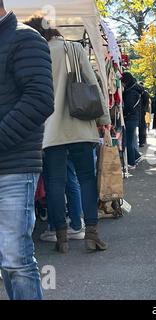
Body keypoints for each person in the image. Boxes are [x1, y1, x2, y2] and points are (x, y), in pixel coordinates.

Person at [25, 16, 111, 253]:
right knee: (86, 179)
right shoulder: (74, 49)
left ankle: (61, 237)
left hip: (50, 131)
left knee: (55, 182)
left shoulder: (34, 54)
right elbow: (93, 84)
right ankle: (91, 233)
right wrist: (104, 121)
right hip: (81, 126)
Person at [0, 6, 54, 300]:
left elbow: (40, 100)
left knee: (15, 260)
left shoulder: (25, 38)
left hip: (14, 167)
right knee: (8, 262)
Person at [40, 160, 85, 242]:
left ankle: (55, 228)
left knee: (52, 182)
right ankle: (77, 224)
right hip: (70, 148)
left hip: (50, 148)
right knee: (71, 179)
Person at [122, 72, 143, 168]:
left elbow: (129, 106)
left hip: (130, 118)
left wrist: (123, 112)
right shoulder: (135, 90)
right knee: (129, 140)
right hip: (134, 118)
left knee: (128, 141)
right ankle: (136, 156)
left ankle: (131, 163)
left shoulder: (131, 92)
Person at [139, 82, 150, 147]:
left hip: (143, 112)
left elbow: (147, 104)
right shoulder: (145, 93)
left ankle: (142, 141)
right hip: (144, 112)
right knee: (143, 127)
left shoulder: (144, 93)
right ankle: (142, 141)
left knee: (143, 126)